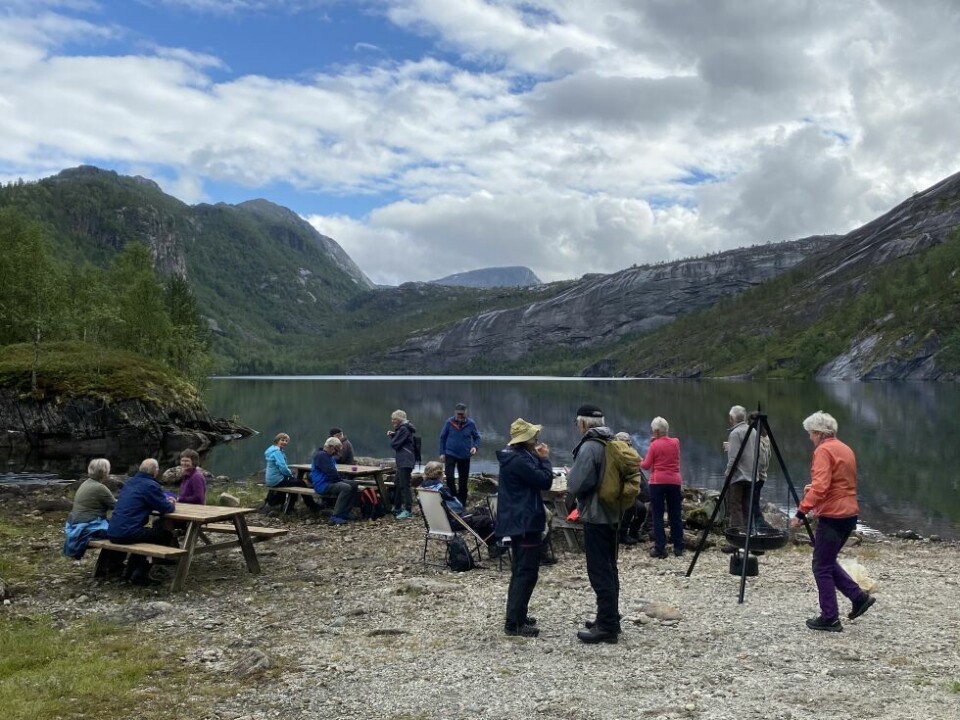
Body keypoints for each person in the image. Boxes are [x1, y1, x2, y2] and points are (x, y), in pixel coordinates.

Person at [790, 411, 876, 632]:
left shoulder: (823, 450)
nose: (809, 438)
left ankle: (830, 618)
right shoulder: (845, 448)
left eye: (810, 433)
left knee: (820, 566)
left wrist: (801, 513)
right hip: (849, 514)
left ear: (818, 433)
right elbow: (838, 482)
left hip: (833, 515)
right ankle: (858, 598)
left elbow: (820, 486)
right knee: (827, 561)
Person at [567, 404, 621, 644]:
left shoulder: (589, 447)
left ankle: (607, 626)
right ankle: (609, 617)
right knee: (610, 568)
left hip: (596, 515)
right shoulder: (612, 442)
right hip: (613, 514)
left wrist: (571, 475)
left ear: (583, 423)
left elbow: (577, 484)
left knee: (599, 571)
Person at [495, 417, 553, 637]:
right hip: (525, 520)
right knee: (526, 572)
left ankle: (518, 614)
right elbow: (544, 481)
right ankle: (514, 623)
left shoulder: (516, 457)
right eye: (533, 437)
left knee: (522, 569)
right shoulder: (519, 461)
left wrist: (538, 459)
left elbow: (534, 474)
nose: (537, 439)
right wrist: (546, 460)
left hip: (519, 518)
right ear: (526, 440)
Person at [107, 458, 176, 586]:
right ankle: (141, 573)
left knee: (150, 528)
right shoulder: (150, 485)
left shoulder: (130, 482)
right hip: (128, 532)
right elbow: (166, 508)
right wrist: (171, 502)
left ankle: (130, 571)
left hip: (113, 530)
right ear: (155, 472)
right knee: (164, 534)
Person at [420, 460, 498, 551]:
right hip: (453, 522)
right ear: (440, 474)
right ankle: (494, 546)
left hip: (436, 523)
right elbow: (458, 508)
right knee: (485, 518)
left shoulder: (423, 488)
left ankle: (493, 545)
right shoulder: (441, 490)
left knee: (481, 510)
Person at [641, 417, 684, 558]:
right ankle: (679, 547)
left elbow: (646, 465)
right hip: (674, 481)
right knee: (675, 514)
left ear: (657, 431)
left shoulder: (654, 445)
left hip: (658, 482)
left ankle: (660, 548)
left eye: (653, 430)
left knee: (658, 516)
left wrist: (638, 461)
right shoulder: (676, 442)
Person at [63, 457, 116, 559]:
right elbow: (117, 506)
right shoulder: (100, 488)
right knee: (121, 533)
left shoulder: (86, 483)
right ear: (104, 472)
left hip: (75, 525)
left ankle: (112, 564)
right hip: (89, 527)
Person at [263, 433, 320, 512]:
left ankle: (291, 506)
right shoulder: (277, 452)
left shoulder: (272, 450)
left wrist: (290, 476)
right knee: (301, 483)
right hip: (277, 480)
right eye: (282, 440)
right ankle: (312, 506)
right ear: (277, 440)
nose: (284, 442)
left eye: (286, 441)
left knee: (296, 482)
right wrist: (290, 474)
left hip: (271, 479)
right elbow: (283, 467)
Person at [723, 405, 758, 533]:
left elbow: (734, 459)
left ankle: (738, 538)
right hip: (752, 476)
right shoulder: (753, 431)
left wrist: (728, 474)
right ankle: (749, 536)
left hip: (738, 477)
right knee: (747, 508)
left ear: (732, 418)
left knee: (735, 507)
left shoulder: (735, 433)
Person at [438, 402, 481, 506]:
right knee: (449, 477)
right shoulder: (449, 422)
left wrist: (475, 447)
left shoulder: (471, 423)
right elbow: (442, 438)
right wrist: (442, 453)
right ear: (455, 413)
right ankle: (452, 499)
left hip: (465, 455)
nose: (460, 416)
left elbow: (477, 437)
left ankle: (462, 502)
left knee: (463, 480)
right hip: (450, 453)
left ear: (466, 413)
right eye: (458, 414)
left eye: (462, 414)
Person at [310, 436, 360, 524]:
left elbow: (334, 475)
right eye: (336, 450)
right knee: (346, 488)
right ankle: (336, 516)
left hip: (330, 481)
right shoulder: (321, 456)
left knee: (354, 484)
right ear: (331, 447)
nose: (337, 453)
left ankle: (345, 512)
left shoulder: (328, 456)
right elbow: (331, 473)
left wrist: (340, 480)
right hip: (323, 484)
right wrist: (340, 480)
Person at [614, 432, 648, 546]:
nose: (627, 446)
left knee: (642, 510)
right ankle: (622, 534)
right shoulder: (614, 456)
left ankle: (634, 532)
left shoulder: (631, 456)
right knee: (632, 507)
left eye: (628, 444)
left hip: (629, 491)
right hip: (618, 493)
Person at [387, 409, 416, 520]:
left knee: (405, 485)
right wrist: (395, 434)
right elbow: (401, 441)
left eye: (394, 419)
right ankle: (398, 508)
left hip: (406, 461)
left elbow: (395, 444)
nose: (392, 421)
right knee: (398, 484)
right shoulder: (403, 429)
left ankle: (408, 510)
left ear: (400, 419)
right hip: (403, 461)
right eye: (392, 419)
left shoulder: (404, 429)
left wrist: (394, 437)